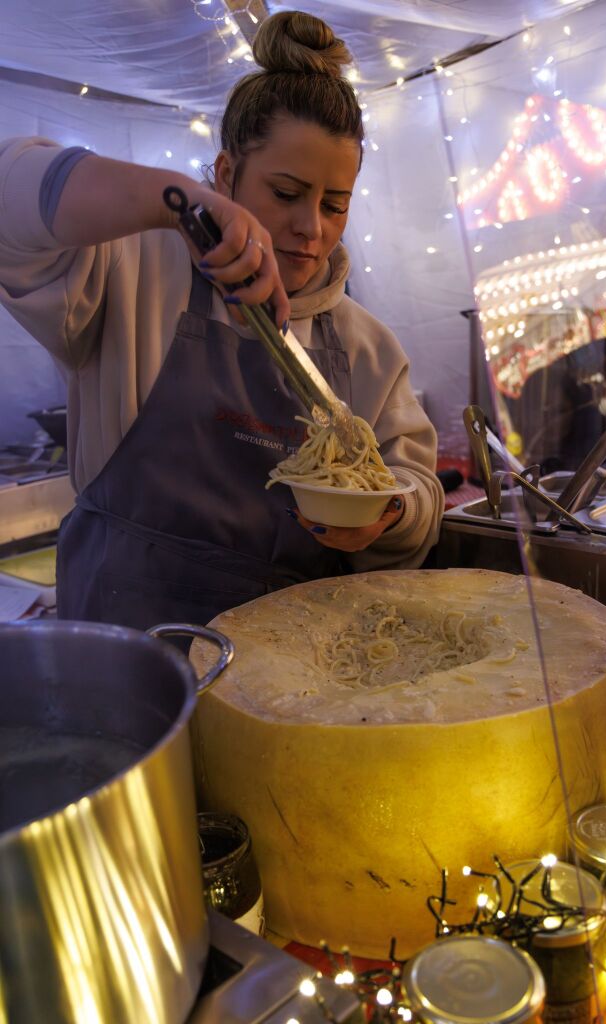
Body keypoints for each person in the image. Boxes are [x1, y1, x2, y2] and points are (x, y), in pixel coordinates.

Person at [0, 10, 444, 630]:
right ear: (229, 174)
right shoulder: (131, 273)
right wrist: (180, 203)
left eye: (334, 205)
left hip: (295, 668)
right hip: (126, 648)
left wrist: (390, 511)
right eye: (286, 194)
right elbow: (11, 195)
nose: (311, 228)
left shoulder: (365, 347)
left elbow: (416, 489)